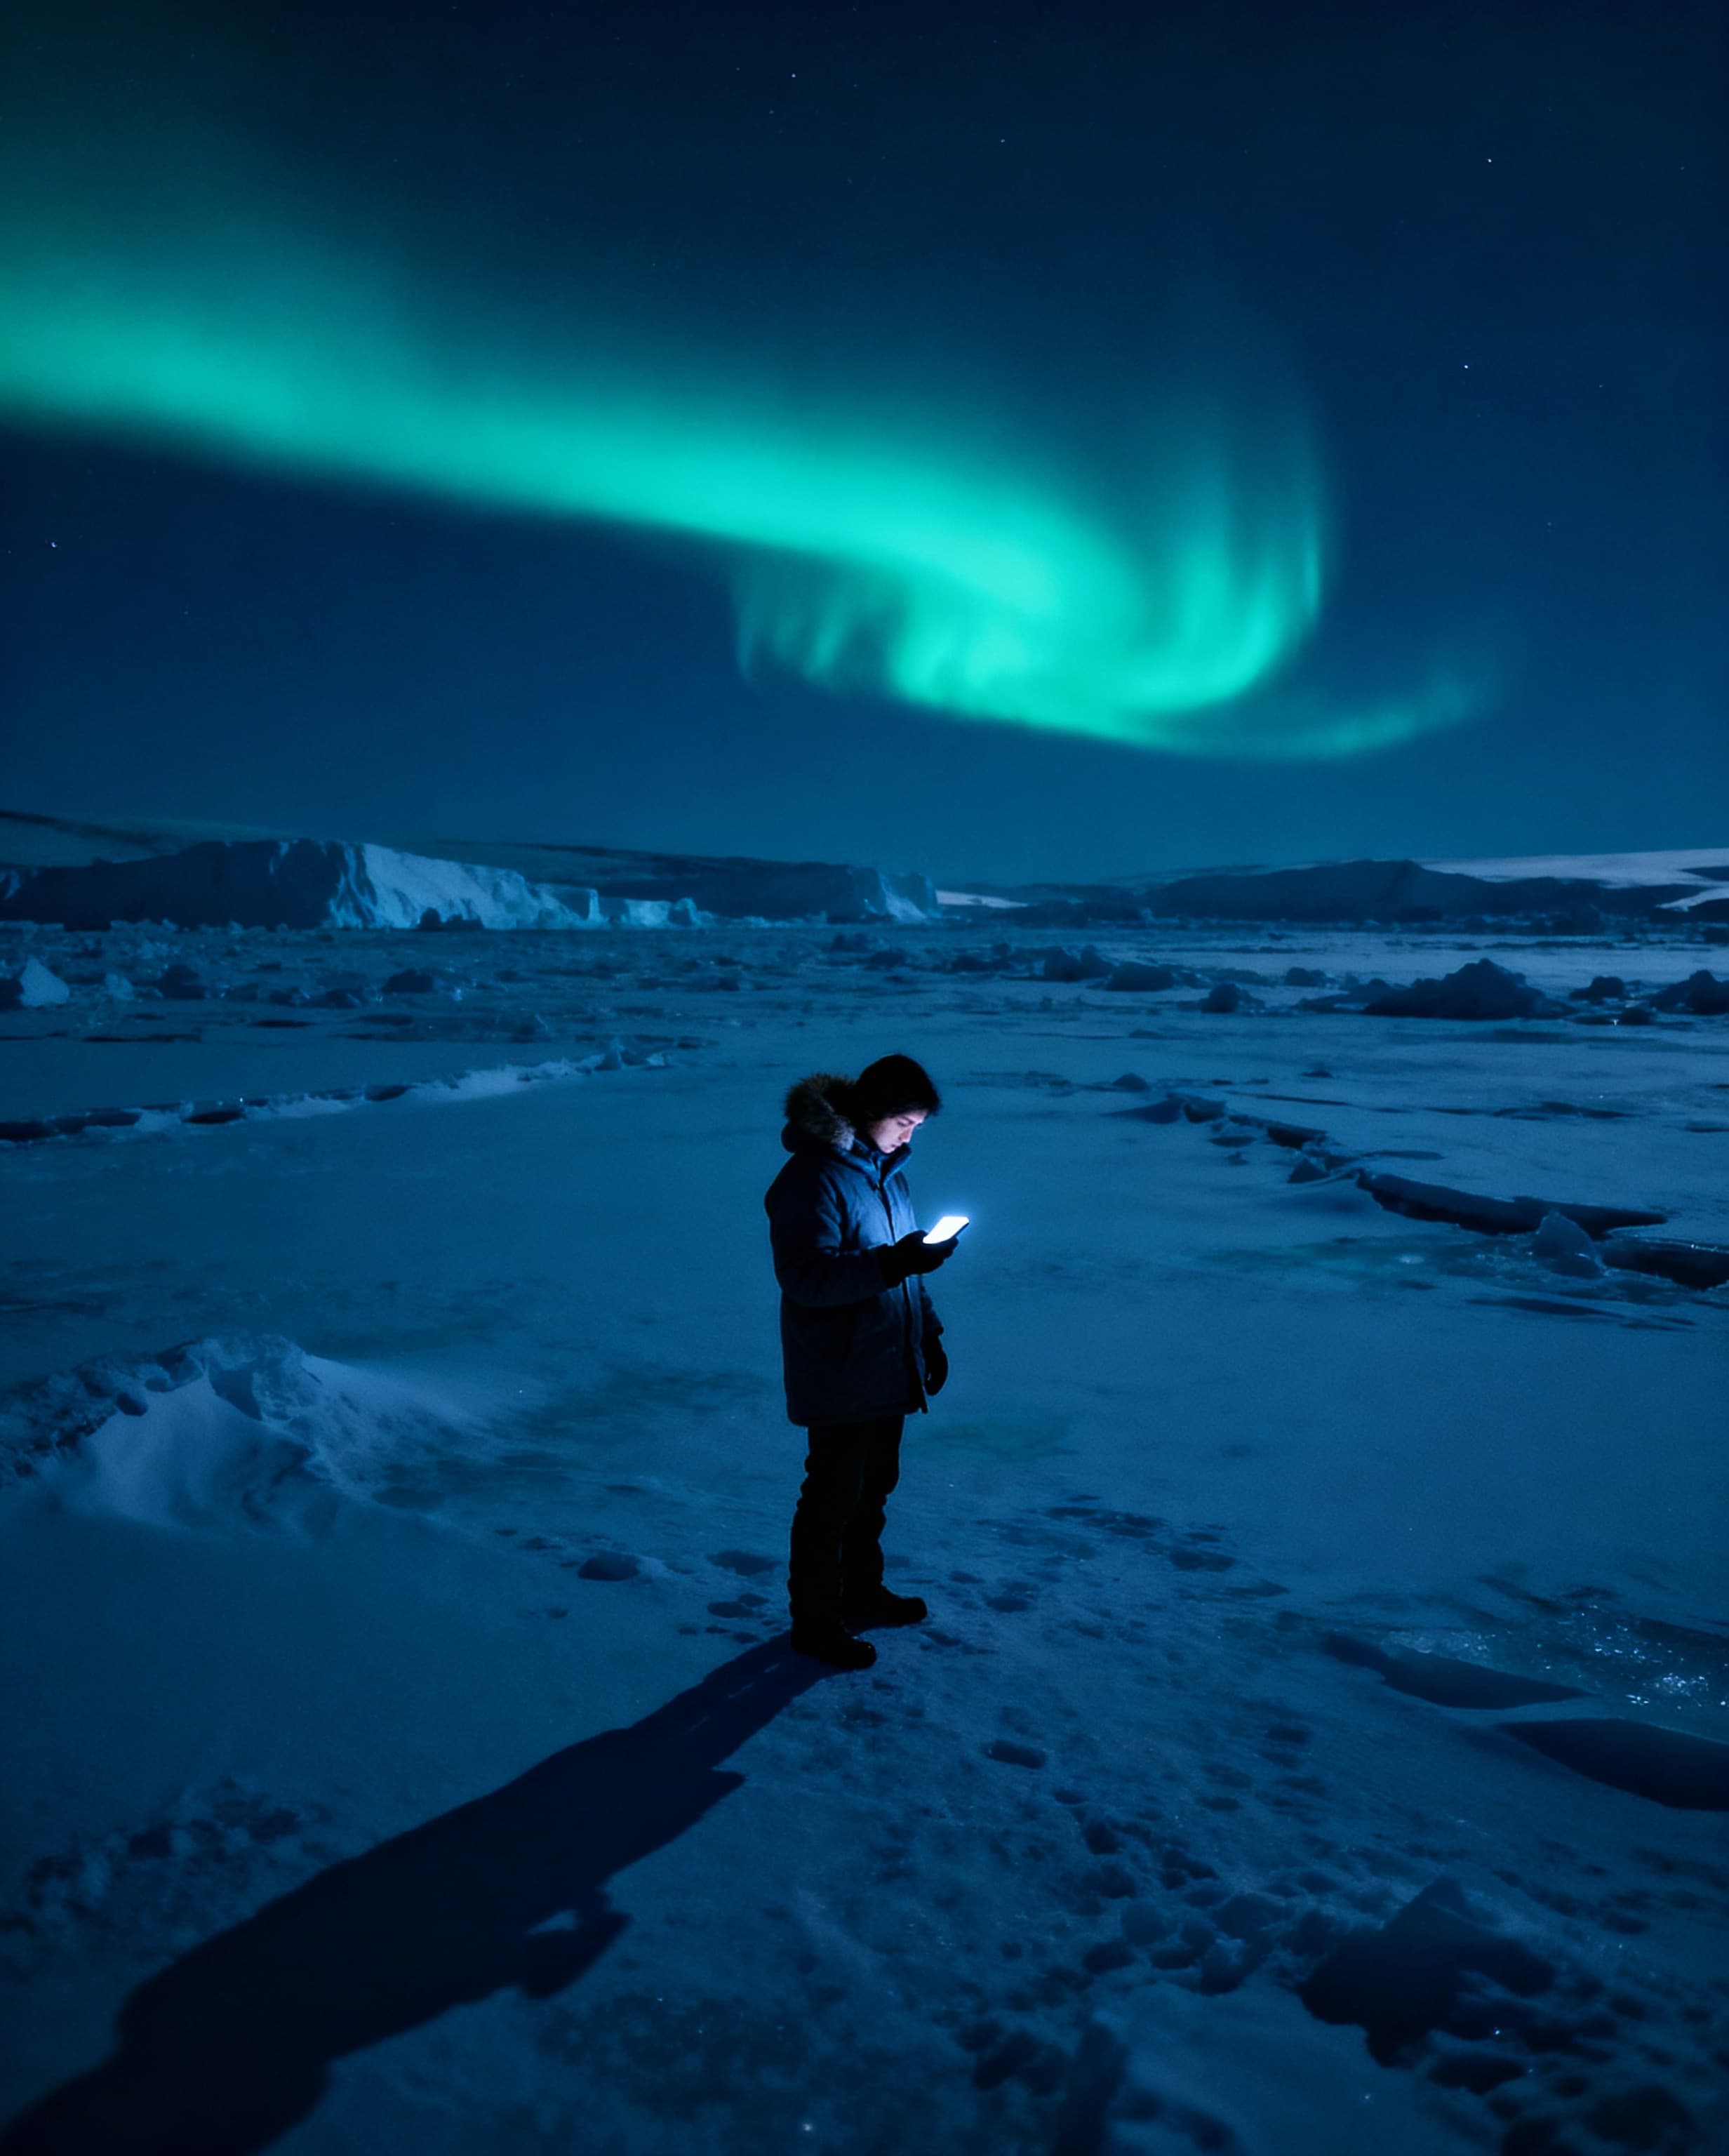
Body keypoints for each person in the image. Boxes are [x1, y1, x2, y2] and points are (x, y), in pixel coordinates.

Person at [763, 1053, 959, 1670]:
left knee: (874, 1489)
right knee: (832, 1498)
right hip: (839, 1369)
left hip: (886, 1361)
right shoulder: (811, 1179)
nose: (909, 1135)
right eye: (904, 1121)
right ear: (871, 1112)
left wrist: (927, 1333)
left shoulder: (886, 1176)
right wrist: (895, 1263)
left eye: (917, 1126)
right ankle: (816, 1622)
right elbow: (805, 1278)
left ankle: (860, 1592)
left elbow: (905, 1266)